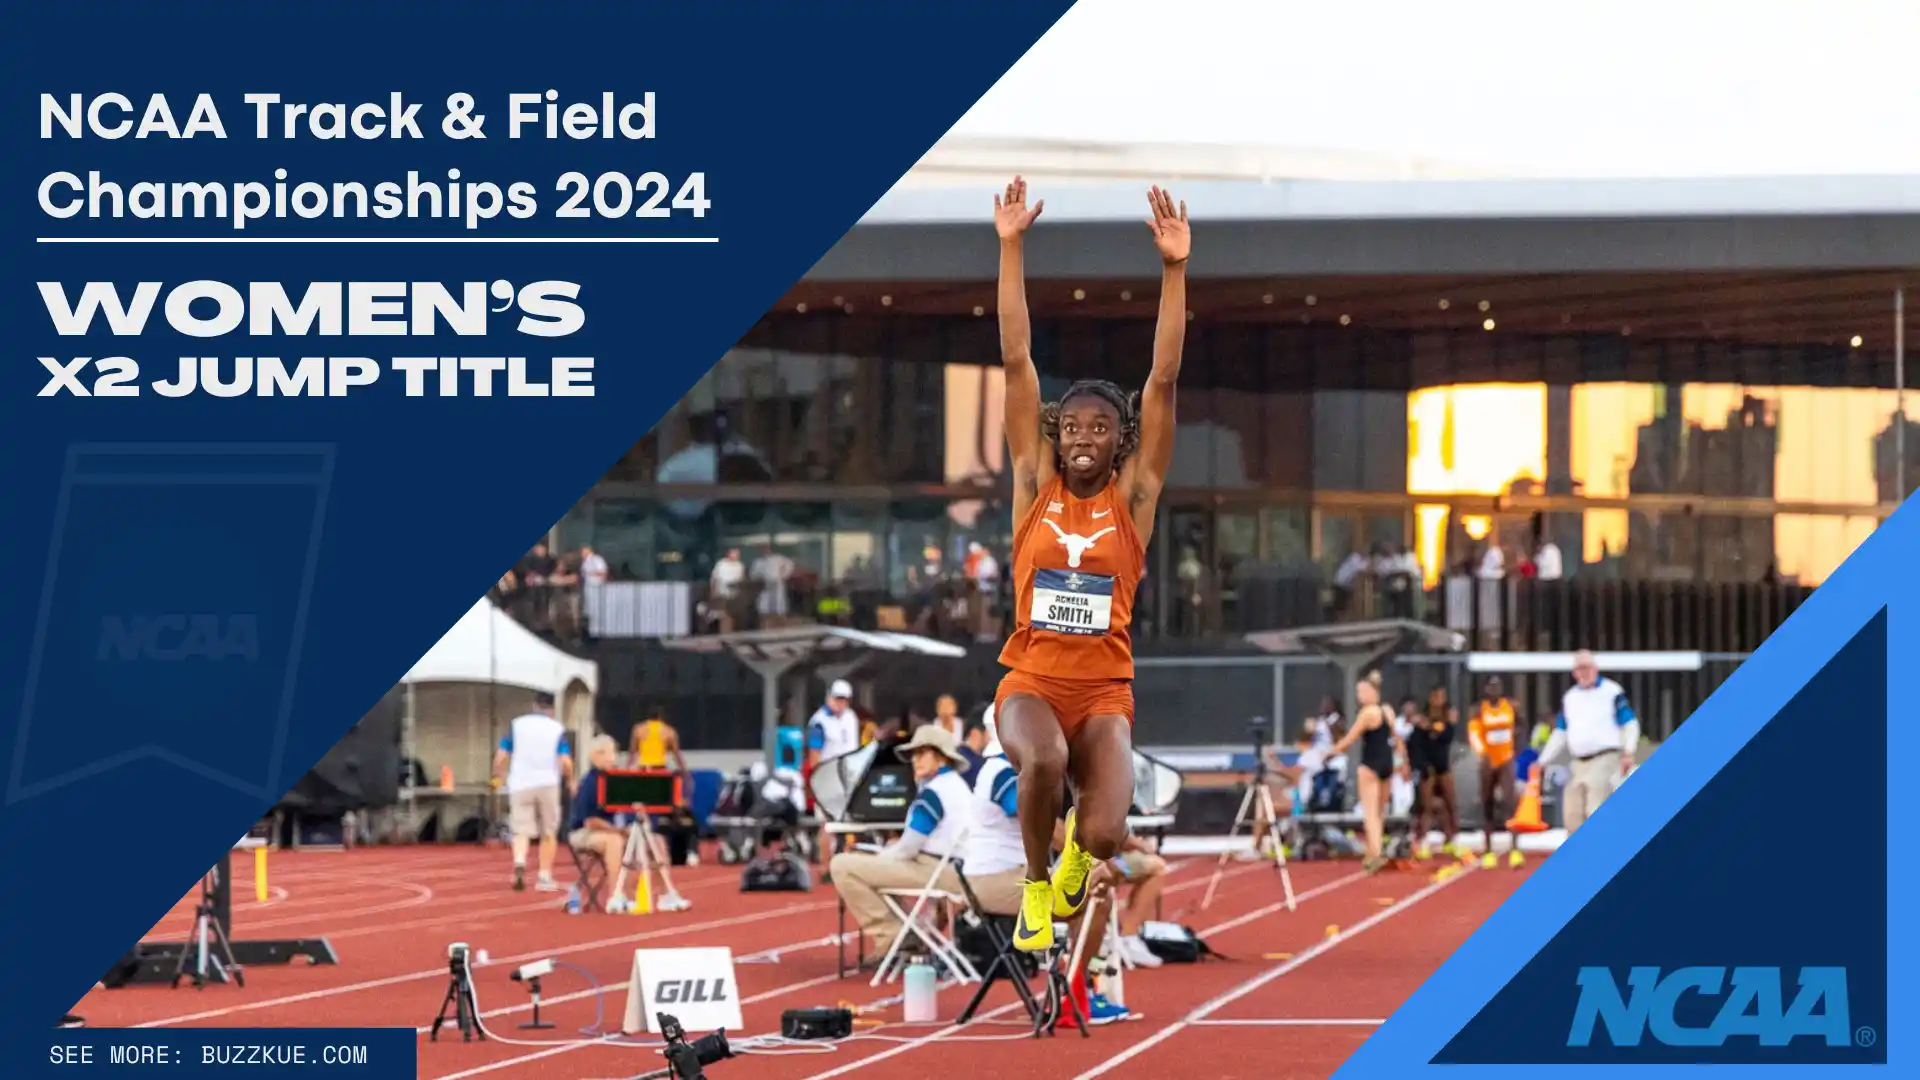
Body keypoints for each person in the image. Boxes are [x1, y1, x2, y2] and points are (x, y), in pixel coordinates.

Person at [991, 177, 1191, 953]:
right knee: (1040, 760)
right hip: (1032, 679)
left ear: (1119, 441)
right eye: (1069, 424)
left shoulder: (1134, 500)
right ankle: (1037, 885)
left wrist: (1174, 269)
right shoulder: (1033, 485)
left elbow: (1164, 380)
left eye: (1098, 427)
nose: (1080, 435)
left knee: (1108, 836)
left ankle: (1077, 855)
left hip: (1105, 691)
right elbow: (1015, 359)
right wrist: (1010, 248)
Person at [827, 725, 973, 960]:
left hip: (937, 870)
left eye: (922, 753)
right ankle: (909, 933)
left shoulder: (934, 792)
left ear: (942, 758)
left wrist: (880, 858)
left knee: (841, 865)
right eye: (914, 754)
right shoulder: (956, 786)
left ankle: (892, 934)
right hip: (956, 869)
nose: (915, 760)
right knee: (875, 868)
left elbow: (908, 848)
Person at [1536, 650, 1640, 832]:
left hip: (1605, 757)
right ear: (1574, 673)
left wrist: (1629, 752)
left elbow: (1630, 723)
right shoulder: (1570, 698)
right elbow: (1560, 733)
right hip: (1578, 763)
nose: (1584, 672)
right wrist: (1542, 761)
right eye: (1579, 669)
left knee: (1596, 809)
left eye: (1587, 667)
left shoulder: (1611, 691)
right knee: (1572, 814)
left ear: (1595, 669)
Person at [493, 692, 573, 892]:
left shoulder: (517, 725)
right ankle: (544, 876)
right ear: (552, 709)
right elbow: (566, 761)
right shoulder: (557, 729)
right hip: (548, 783)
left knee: (521, 830)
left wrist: (497, 776)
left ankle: (519, 863)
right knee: (549, 832)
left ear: (534, 705)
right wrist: (570, 780)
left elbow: (501, 756)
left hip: (520, 783)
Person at [1329, 678, 1402, 873]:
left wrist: (1329, 753)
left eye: (1362, 691)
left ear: (1373, 691)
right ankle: (1373, 851)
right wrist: (1404, 763)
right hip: (1387, 762)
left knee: (1370, 813)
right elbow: (1397, 738)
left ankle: (1376, 853)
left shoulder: (1367, 713)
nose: (1359, 696)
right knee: (1380, 812)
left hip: (1371, 764)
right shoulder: (1388, 711)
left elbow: (1349, 740)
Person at [1466, 677, 1525, 869]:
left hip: (1506, 758)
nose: (1494, 690)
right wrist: (1483, 754)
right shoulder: (1478, 710)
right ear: (1485, 689)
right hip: (1488, 759)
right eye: (1490, 686)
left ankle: (1515, 848)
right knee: (1488, 803)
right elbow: (1473, 733)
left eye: (1497, 686)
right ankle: (1489, 849)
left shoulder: (1511, 707)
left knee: (1510, 801)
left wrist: (1515, 746)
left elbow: (1522, 726)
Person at [1408, 685, 1461, 861]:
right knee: (1427, 805)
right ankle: (1423, 840)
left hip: (1443, 765)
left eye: (1443, 696)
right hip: (1427, 766)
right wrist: (1419, 765)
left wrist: (1442, 726)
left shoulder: (1447, 717)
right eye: (1437, 696)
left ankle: (1451, 839)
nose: (1440, 699)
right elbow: (1415, 744)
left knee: (1450, 803)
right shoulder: (1421, 720)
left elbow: (1447, 737)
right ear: (1431, 698)